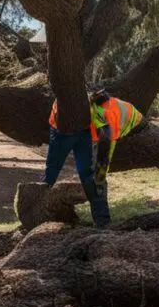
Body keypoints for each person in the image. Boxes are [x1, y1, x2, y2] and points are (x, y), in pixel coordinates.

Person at [45, 87, 144, 227]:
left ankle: (102, 221)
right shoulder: (66, 105)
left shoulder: (104, 116)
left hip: (122, 126)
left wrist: (100, 173)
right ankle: (40, 208)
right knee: (53, 167)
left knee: (91, 176)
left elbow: (106, 149)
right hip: (62, 129)